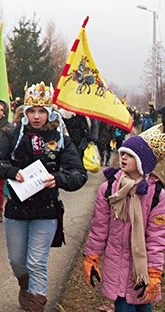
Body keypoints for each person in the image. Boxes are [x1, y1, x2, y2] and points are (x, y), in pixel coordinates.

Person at [0, 82, 87, 311]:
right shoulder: (12, 135)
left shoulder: (60, 140)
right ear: (25, 112)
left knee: (37, 262)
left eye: (41, 111)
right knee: (18, 262)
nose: (36, 116)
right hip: (16, 209)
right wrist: (11, 172)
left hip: (46, 210)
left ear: (49, 113)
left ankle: (36, 302)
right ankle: (25, 285)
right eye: (32, 111)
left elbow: (79, 175)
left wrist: (58, 179)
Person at [84, 125, 165, 311]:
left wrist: (153, 272)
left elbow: (157, 238)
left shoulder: (156, 195)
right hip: (116, 266)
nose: (123, 158)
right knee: (123, 307)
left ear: (143, 160)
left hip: (142, 272)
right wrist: (92, 256)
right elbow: (99, 227)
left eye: (130, 155)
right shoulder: (110, 188)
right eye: (122, 154)